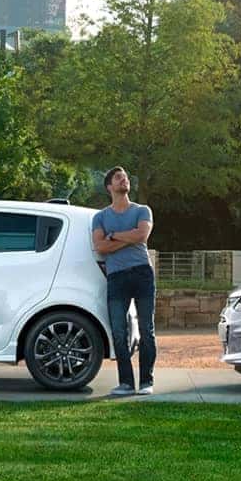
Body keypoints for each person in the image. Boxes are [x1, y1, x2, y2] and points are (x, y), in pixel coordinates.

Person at [93, 166, 156, 396]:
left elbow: (142, 235)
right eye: (119, 178)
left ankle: (147, 381)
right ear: (110, 186)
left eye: (126, 178)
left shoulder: (142, 210)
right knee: (119, 331)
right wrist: (128, 237)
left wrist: (115, 236)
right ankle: (126, 383)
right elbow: (100, 247)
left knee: (146, 329)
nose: (124, 180)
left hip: (142, 273)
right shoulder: (100, 217)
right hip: (116, 277)